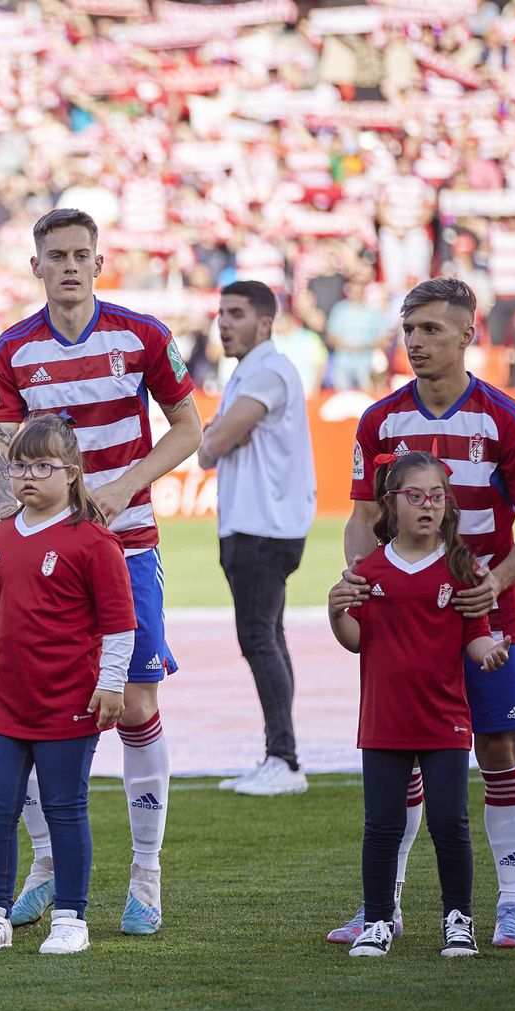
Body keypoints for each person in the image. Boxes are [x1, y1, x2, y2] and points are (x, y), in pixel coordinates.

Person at [0, 208, 202, 935]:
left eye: (81, 254)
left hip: (127, 546)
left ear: (99, 263)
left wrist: (122, 487)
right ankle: (46, 864)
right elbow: (1, 452)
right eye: (57, 255)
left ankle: (147, 876)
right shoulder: (12, 349)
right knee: (34, 706)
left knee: (134, 704)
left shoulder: (142, 336)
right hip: (45, 561)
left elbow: (189, 428)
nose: (70, 266)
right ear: (36, 266)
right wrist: (16, 526)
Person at [330, 278, 515, 950]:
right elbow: (362, 517)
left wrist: (493, 583)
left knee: (498, 749)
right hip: (403, 620)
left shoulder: (504, 419)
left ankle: (510, 905)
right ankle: (386, 907)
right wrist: (364, 578)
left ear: (467, 333)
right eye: (410, 329)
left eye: (431, 328)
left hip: (486, 616)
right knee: (401, 756)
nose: (416, 341)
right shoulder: (380, 420)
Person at [0, 416, 135, 955]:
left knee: (65, 808)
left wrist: (112, 684)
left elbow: (119, 623)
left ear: (72, 473)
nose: (27, 476)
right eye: (18, 467)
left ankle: (71, 919)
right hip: (3, 702)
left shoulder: (94, 542)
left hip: (68, 701)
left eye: (41, 466)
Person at [329, 451, 510, 958]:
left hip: (445, 720)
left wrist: (489, 652)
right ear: (391, 503)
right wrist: (336, 611)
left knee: (449, 824)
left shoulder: (462, 568)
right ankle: (377, 921)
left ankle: (458, 921)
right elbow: (355, 640)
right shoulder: (369, 569)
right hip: (383, 721)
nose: (428, 505)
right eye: (416, 496)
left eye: (436, 497)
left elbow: (475, 636)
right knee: (382, 828)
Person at [198, 281, 317, 796]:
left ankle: (284, 759)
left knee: (258, 638)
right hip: (260, 524)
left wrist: (217, 435)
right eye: (222, 313)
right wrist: (217, 437)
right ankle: (278, 754)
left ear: (265, 323)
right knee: (269, 636)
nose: (224, 324)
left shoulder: (267, 371)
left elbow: (212, 444)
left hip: (261, 526)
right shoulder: (252, 372)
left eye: (237, 314)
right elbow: (212, 444)